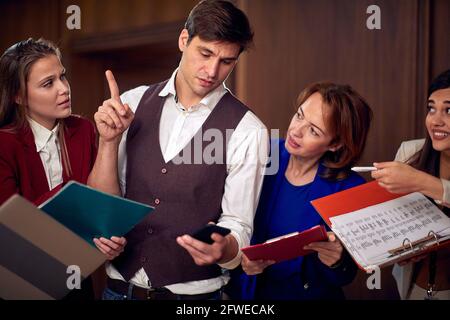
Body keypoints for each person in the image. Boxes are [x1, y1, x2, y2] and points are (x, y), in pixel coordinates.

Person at [87, 0, 268, 300]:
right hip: (118, 291)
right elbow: (103, 208)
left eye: (227, 61)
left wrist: (224, 249)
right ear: (184, 40)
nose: (212, 71)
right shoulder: (132, 102)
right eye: (206, 53)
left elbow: (239, 224)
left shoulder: (249, 130)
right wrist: (108, 142)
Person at [0, 38, 125, 300]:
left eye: (63, 77)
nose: (64, 89)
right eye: (48, 83)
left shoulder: (82, 130)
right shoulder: (4, 144)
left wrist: (103, 240)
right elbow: (11, 232)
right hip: (22, 281)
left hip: (76, 279)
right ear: (19, 96)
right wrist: (73, 201)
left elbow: (101, 204)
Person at [226, 82, 373, 300]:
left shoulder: (350, 189)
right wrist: (240, 261)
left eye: (313, 130)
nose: (296, 130)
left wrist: (337, 261)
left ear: (335, 144)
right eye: (299, 115)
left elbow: (346, 275)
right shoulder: (262, 152)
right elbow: (230, 221)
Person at [372, 69, 450, 300]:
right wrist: (399, 252)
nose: (435, 120)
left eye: (449, 110)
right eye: (431, 108)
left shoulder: (415, 174)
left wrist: (423, 182)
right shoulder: (410, 152)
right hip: (412, 288)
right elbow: (393, 225)